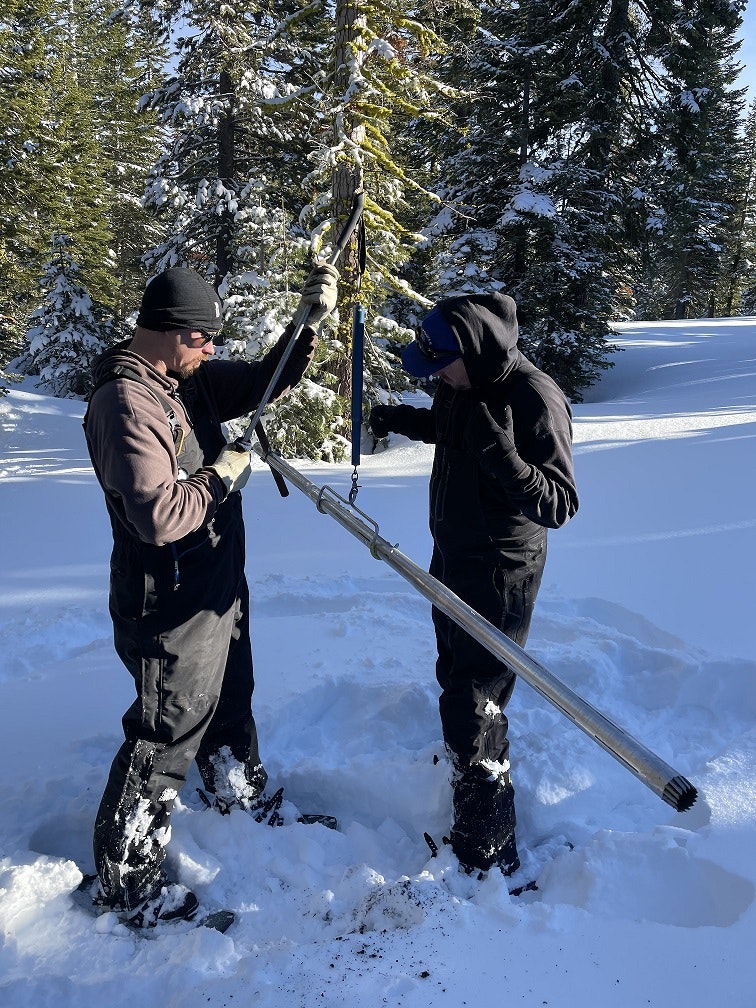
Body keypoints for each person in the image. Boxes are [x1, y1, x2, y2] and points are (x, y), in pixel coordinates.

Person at [83, 262, 338, 926]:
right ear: (169, 333)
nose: (212, 351)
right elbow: (158, 515)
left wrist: (305, 324)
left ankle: (234, 792)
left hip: (214, 583)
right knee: (166, 730)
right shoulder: (126, 401)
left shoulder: (181, 379)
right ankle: (128, 881)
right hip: (165, 598)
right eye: (203, 339)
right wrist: (221, 479)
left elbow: (261, 383)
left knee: (228, 698)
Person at [369, 292, 578, 877]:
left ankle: (488, 844)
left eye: (441, 364)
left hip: (501, 570)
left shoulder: (534, 398)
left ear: (475, 349)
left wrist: (505, 458)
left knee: (477, 695)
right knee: (454, 671)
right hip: (453, 555)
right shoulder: (460, 384)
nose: (436, 375)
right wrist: (402, 420)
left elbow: (560, 502)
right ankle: (468, 764)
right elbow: (451, 427)